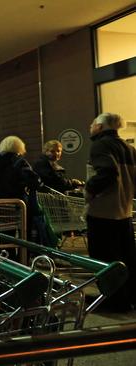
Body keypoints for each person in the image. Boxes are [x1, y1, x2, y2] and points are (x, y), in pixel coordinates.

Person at [86, 112, 136, 312]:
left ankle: (113, 301)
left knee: (104, 259)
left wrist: (89, 190)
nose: (90, 127)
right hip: (124, 212)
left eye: (92, 123)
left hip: (102, 212)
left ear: (100, 126)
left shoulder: (100, 145)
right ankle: (130, 296)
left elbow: (107, 173)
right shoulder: (129, 148)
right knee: (127, 258)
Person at [0, 135, 42, 241]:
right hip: (18, 204)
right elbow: (34, 180)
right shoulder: (19, 161)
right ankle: (22, 256)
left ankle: (5, 254)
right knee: (24, 233)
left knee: (4, 233)